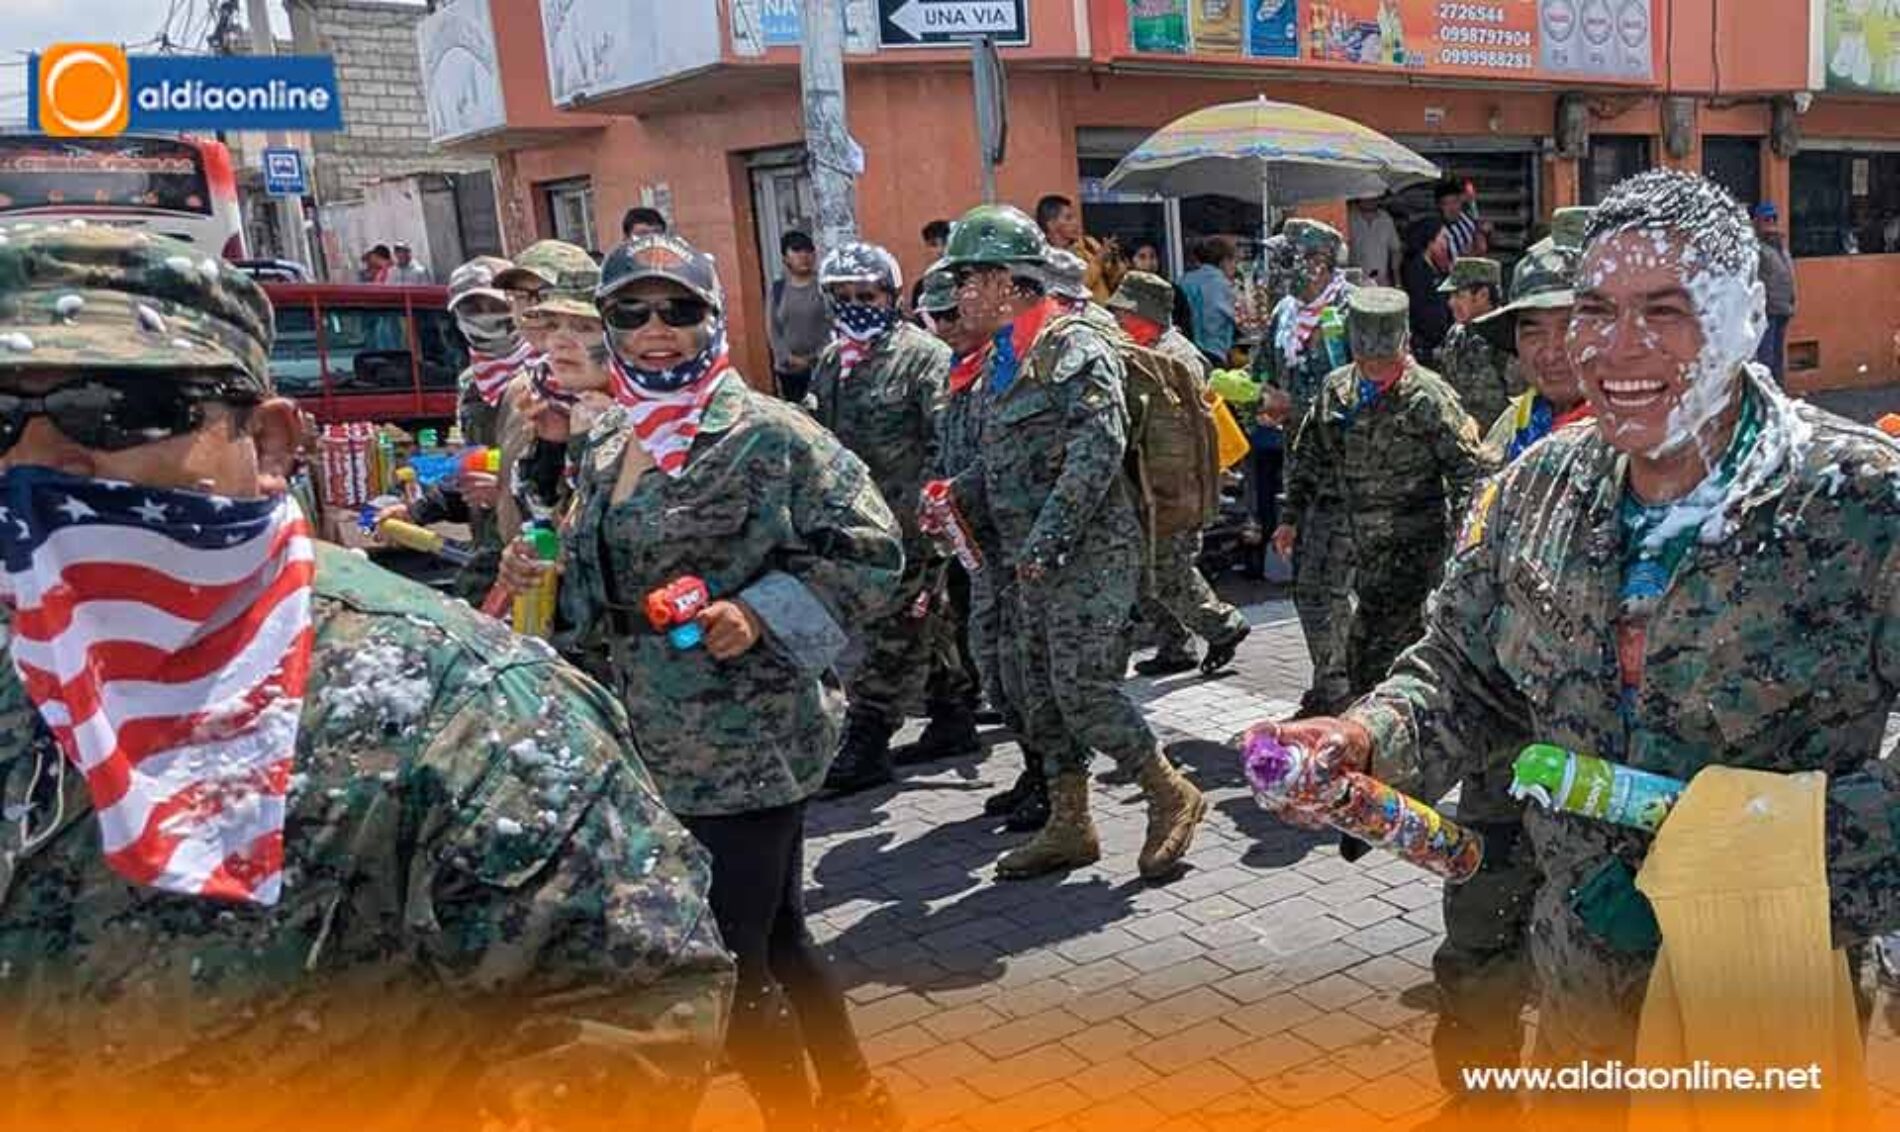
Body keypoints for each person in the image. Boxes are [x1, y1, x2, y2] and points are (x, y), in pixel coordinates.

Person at [0, 223, 732, 1129]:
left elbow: (627, 1005)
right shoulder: (526, 408)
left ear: (266, 442)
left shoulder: (458, 704)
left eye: (114, 410)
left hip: (718, 713)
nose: (41, 463)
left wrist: (758, 614)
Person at [1255, 169, 1900, 1129]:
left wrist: (1749, 862)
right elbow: (1463, 676)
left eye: (1665, 312)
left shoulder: (1858, 504)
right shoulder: (1539, 486)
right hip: (1577, 1002)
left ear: (1741, 318)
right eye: (1593, 310)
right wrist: (1361, 741)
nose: (1614, 348)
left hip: (1767, 1003)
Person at [506, 233, 904, 1131]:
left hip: (746, 740)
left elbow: (875, 557)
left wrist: (759, 611)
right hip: (642, 737)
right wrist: (546, 578)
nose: (657, 332)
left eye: (679, 311)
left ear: (713, 319)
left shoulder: (769, 434)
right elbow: (599, 582)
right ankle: (857, 1103)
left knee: (726, 961)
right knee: (781, 936)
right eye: (633, 313)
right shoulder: (608, 438)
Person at [935, 203, 1206, 882]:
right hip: (1030, 559)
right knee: (1039, 693)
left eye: (969, 278)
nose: (959, 294)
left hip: (1088, 553)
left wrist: (1048, 542)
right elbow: (1006, 456)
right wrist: (953, 495)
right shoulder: (1006, 357)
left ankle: (1168, 792)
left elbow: (1097, 449)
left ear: (1007, 281)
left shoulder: (1073, 343)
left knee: (1084, 686)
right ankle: (1070, 821)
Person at [807, 242, 976, 793]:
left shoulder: (923, 355)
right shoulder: (835, 360)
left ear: (891, 295)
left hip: (911, 526)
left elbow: (945, 437)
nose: (857, 305)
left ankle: (869, 736)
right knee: (927, 621)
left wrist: (933, 507)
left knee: (893, 627)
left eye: (868, 294)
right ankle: (953, 714)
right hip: (857, 525)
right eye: (845, 296)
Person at [1271, 288, 1491, 700]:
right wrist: (1291, 518)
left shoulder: (1429, 397)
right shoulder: (1337, 390)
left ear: (1403, 346)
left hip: (1409, 547)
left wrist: (1466, 544)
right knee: (1342, 623)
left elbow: (1469, 472)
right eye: (1366, 361)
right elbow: (1310, 457)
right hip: (1351, 533)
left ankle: (1403, 727)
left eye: (1383, 363)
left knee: (1380, 651)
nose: (1374, 371)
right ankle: (1364, 708)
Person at [921, 260, 1054, 832]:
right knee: (993, 668)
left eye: (956, 311)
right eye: (937, 316)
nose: (949, 324)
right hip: (974, 546)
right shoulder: (960, 374)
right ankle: (1033, 765)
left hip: (1012, 544)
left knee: (1024, 668)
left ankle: (1055, 780)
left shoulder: (1009, 370)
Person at [1108, 270, 1253, 678]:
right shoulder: (1140, 350)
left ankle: (1223, 625)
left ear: (1148, 314)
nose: (1118, 319)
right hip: (1149, 483)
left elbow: (1184, 437)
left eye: (1125, 312)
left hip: (1179, 486)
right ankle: (1175, 645)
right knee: (1146, 570)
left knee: (1171, 569)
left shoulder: (1178, 358)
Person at [1254, 218, 1354, 714]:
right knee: (1309, 586)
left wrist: (1293, 404)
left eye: (1287, 258)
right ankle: (1332, 678)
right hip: (1304, 474)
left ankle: (1343, 685)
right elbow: (1263, 376)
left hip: (1354, 476)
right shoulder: (1284, 316)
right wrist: (1256, 398)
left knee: (1333, 586)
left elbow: (1368, 392)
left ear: (1317, 262)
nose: (1277, 270)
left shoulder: (1354, 311)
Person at [1471, 210, 1598, 461]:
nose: (1551, 353)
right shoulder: (1516, 424)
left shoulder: (1641, 441)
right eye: (1533, 331)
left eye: (1570, 326)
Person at [1434, 256, 1516, 429]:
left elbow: (1519, 403)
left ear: (1483, 295)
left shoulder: (1506, 339)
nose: (1451, 303)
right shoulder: (1456, 334)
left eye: (1458, 295)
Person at [768, 230, 829, 403]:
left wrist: (817, 356)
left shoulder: (824, 288)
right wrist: (787, 357)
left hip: (822, 369)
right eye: (796, 251)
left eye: (808, 251)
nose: (804, 256)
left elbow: (833, 324)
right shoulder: (778, 290)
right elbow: (773, 329)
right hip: (789, 372)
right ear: (785, 258)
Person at [1034, 193, 1120, 301]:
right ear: (1051, 225)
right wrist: (1098, 261)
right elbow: (1074, 290)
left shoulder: (1088, 244)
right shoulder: (1046, 258)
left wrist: (1113, 260)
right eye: (1068, 218)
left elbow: (1115, 281)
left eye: (1074, 217)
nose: (1076, 223)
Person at [1179, 235, 1240, 366]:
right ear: (1224, 261)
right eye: (1234, 261)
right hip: (1213, 352)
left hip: (1186, 353)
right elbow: (1237, 319)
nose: (1236, 267)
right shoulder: (1222, 284)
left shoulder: (1184, 280)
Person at [1753, 201, 1797, 381]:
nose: (1771, 222)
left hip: (1783, 308)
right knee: (1766, 358)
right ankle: (1765, 396)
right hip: (1766, 311)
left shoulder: (1780, 246)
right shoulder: (1756, 247)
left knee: (1778, 357)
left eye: (1773, 218)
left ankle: (1778, 394)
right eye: (1766, 219)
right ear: (1757, 221)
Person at [1348, 197, 1403, 286]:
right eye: (1366, 196)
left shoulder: (1386, 219)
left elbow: (1395, 249)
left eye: (1373, 197)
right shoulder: (1349, 218)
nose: (1370, 200)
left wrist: (1398, 282)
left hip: (1380, 280)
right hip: (1356, 282)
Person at [908, 219, 954, 309]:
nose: (929, 251)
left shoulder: (961, 280)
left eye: (934, 244)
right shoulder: (922, 285)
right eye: (929, 245)